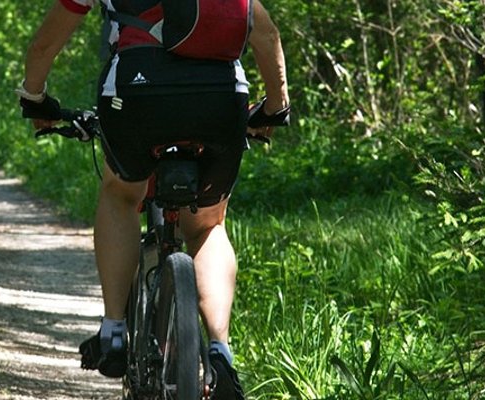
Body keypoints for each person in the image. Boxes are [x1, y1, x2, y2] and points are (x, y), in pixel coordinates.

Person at [17, 0, 289, 397]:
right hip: (221, 99)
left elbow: (44, 45)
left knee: (121, 195)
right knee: (208, 226)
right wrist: (274, 109)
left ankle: (113, 330)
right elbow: (266, 35)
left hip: (137, 94)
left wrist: (35, 98)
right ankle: (219, 351)